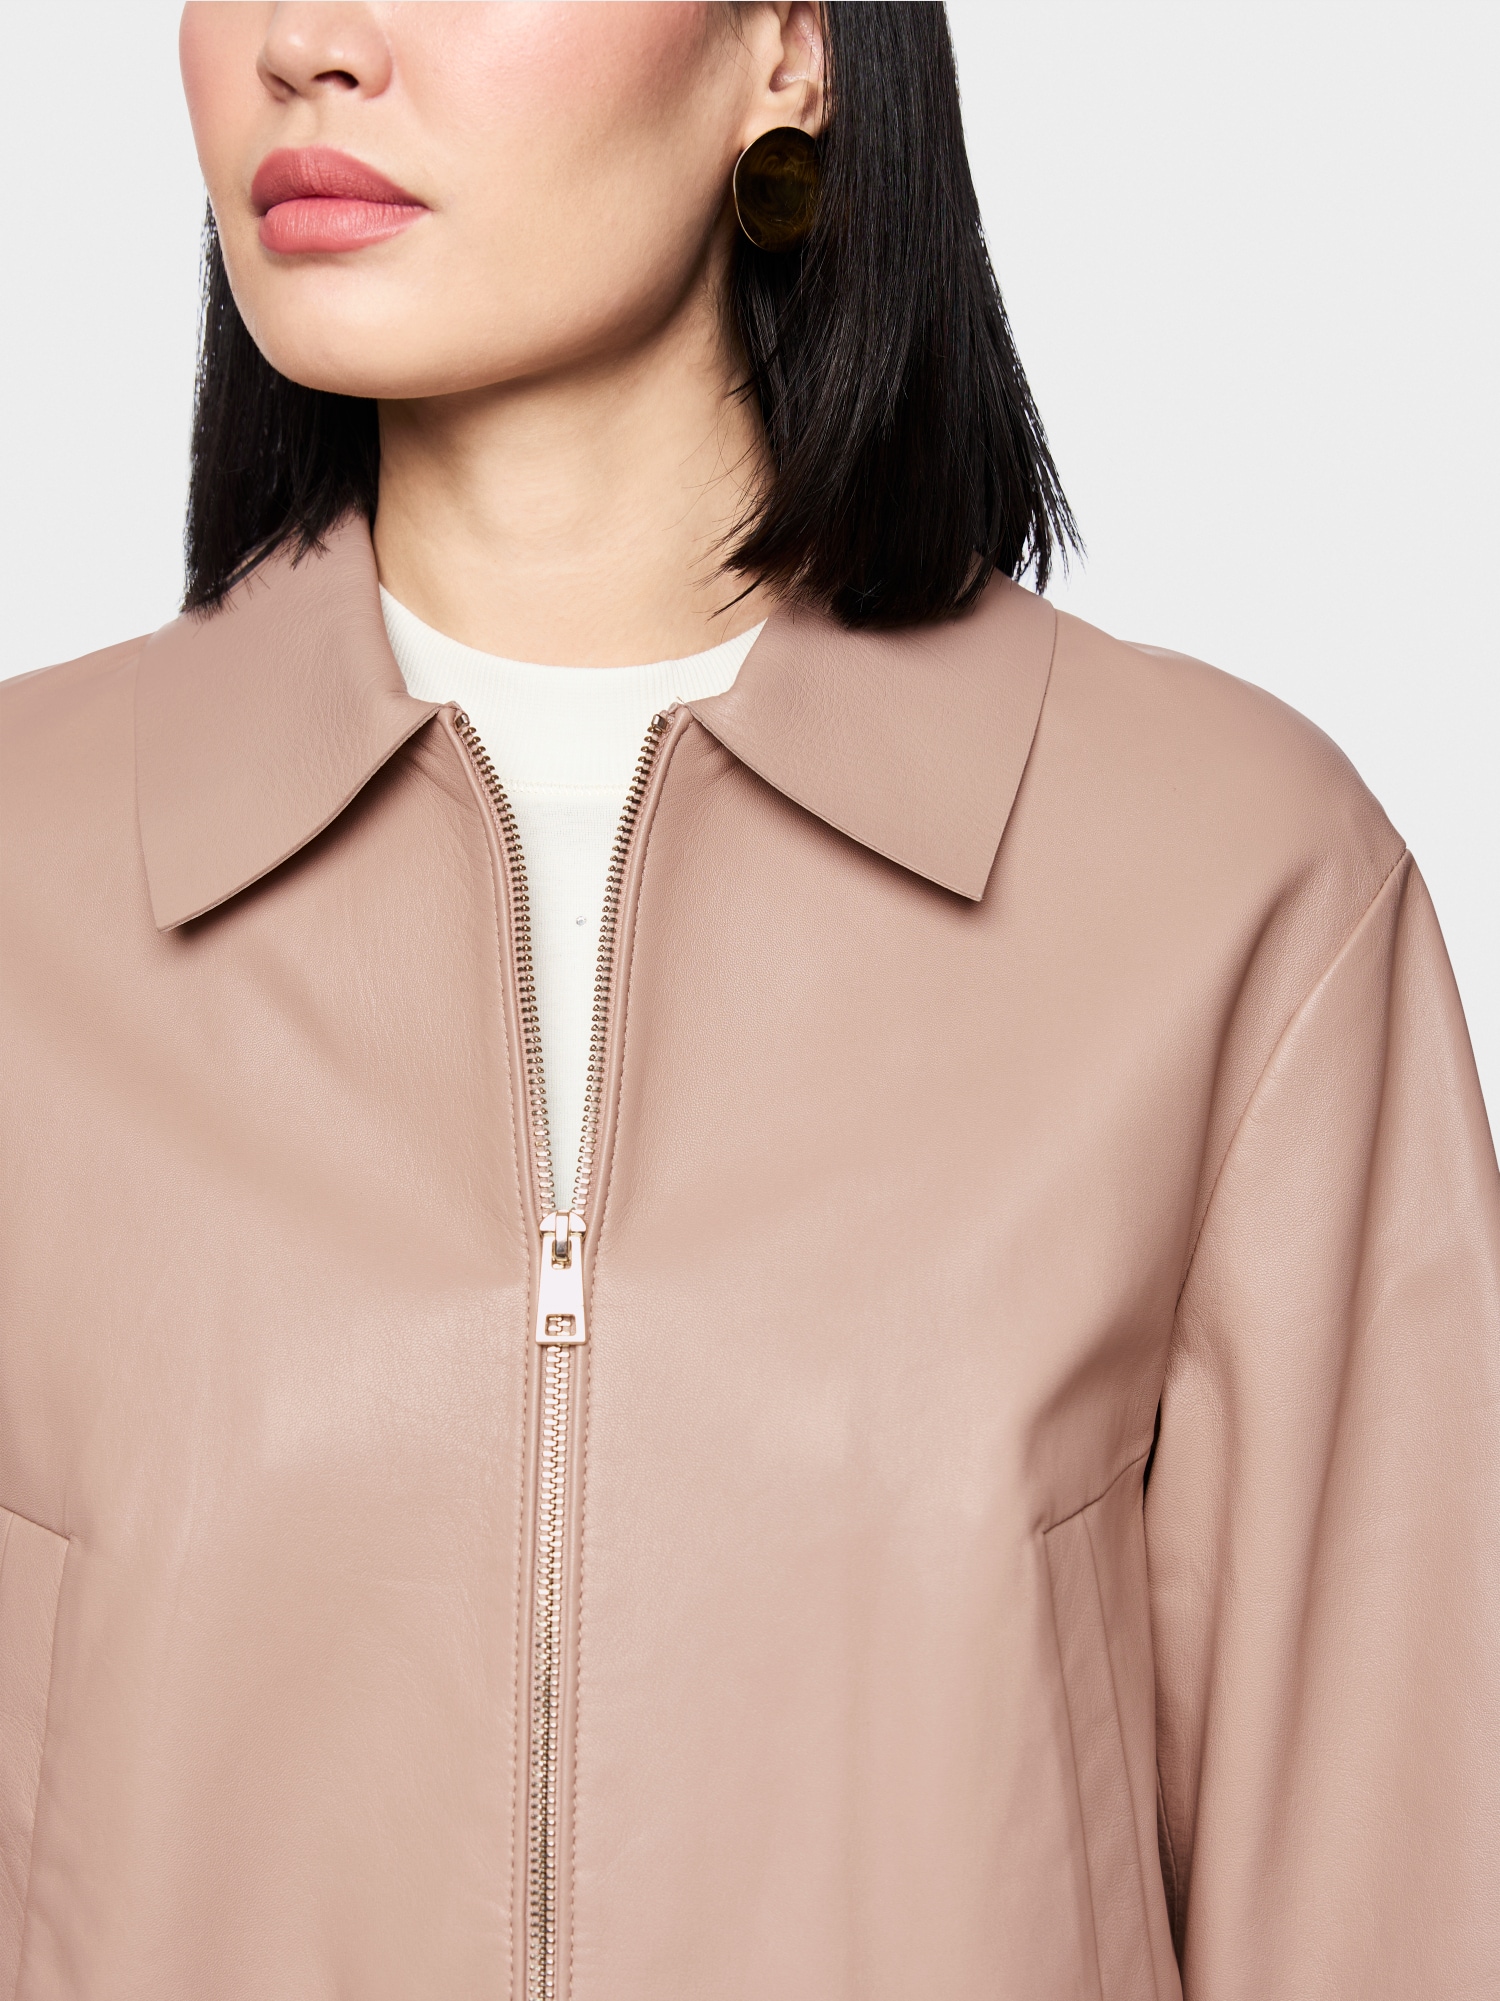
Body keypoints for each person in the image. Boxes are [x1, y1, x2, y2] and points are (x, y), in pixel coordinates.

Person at [1, 5, 1496, 1996]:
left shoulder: (1233, 894)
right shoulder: (26, 897)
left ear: (789, 50)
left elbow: (1393, 1912)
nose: (312, 41)